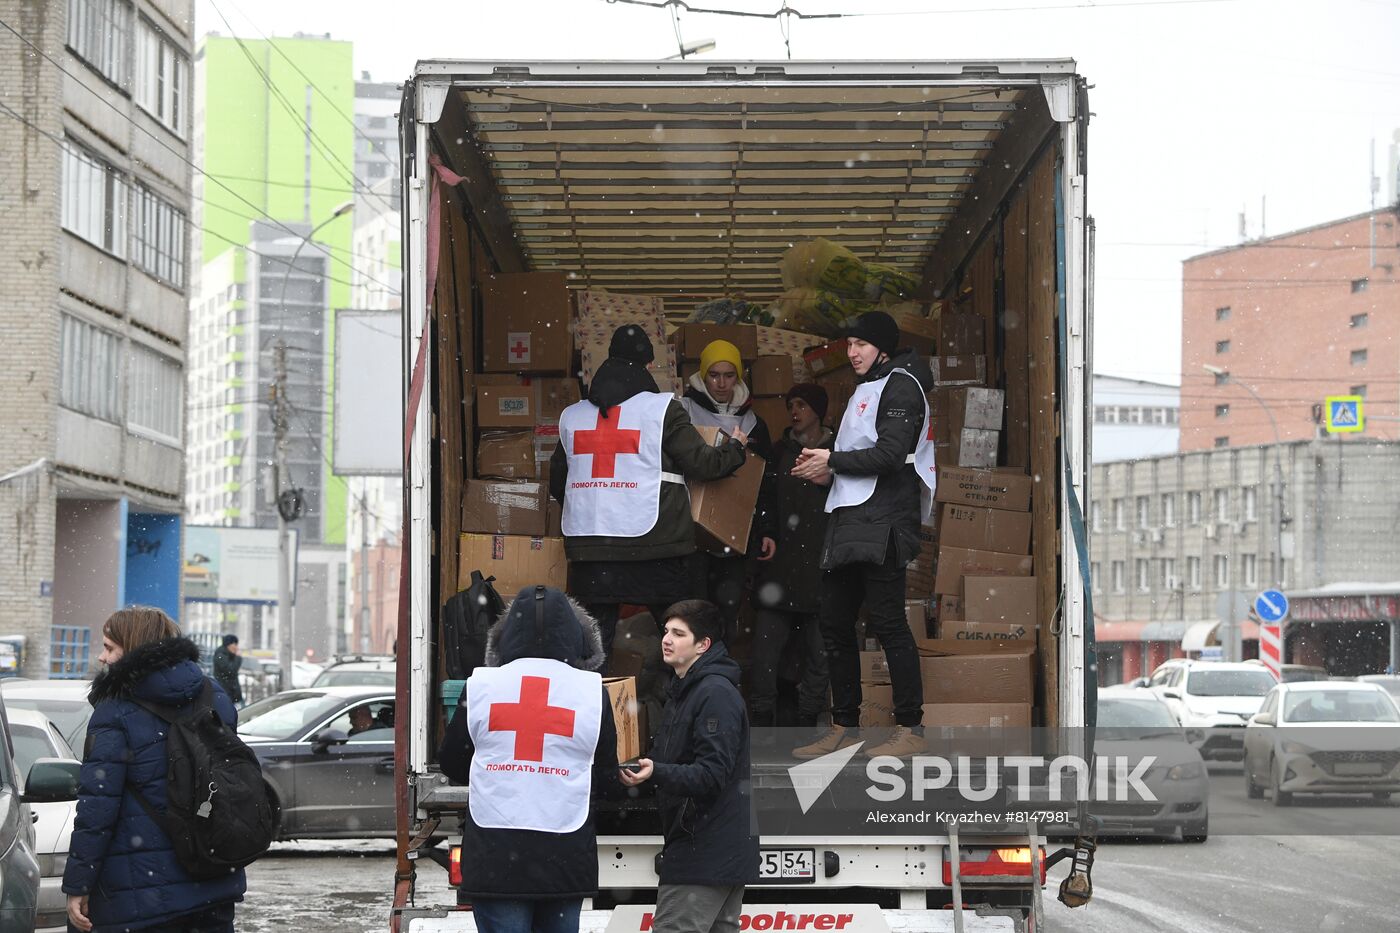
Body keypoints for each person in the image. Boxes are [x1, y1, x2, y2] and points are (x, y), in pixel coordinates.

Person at [791, 311, 937, 760]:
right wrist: (824, 471)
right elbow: (860, 456)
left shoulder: (902, 385)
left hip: (885, 522)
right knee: (835, 625)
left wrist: (831, 461)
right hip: (850, 520)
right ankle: (846, 726)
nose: (852, 353)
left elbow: (892, 454)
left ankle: (912, 728)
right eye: (849, 344)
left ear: (883, 348)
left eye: (860, 344)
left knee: (889, 624)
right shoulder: (868, 385)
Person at [551, 324, 749, 655]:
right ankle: (692, 704)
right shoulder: (661, 410)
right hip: (656, 549)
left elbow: (560, 483)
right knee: (686, 647)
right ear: (646, 366)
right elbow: (703, 464)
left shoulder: (573, 416)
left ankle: (597, 706)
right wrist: (736, 449)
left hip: (591, 554)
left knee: (592, 653)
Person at [438, 585, 619, 933]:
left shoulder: (480, 686)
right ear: (576, 635)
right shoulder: (592, 692)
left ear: (504, 636)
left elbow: (452, 762)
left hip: (496, 855)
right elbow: (607, 778)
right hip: (564, 854)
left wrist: (498, 773)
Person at [64, 607, 245, 933]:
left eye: (109, 647)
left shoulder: (115, 711)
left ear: (132, 647)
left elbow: (98, 808)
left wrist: (78, 884)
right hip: (212, 876)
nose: (101, 657)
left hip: (137, 896)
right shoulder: (214, 695)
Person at [619, 600, 759, 933]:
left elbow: (712, 774)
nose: (666, 639)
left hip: (704, 849)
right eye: (666, 631)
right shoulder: (686, 691)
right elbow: (673, 758)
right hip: (709, 847)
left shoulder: (714, 693)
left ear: (703, 645)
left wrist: (656, 772)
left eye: (678, 634)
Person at [678, 340, 777, 641]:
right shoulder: (683, 412)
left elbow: (764, 481)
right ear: (703, 376)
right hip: (691, 533)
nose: (721, 383)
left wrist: (767, 529)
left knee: (727, 613)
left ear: (739, 378)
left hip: (734, 537)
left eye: (729, 375)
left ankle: (719, 678)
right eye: (714, 375)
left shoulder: (754, 424)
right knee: (692, 615)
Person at [750, 383, 833, 732]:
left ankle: (807, 718)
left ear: (818, 410)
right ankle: (762, 722)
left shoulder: (839, 452)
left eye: (802, 404)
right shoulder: (780, 451)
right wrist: (767, 532)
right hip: (782, 566)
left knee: (821, 653)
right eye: (791, 405)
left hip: (824, 564)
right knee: (765, 653)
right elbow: (764, 497)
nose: (795, 411)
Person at [213, 634, 242, 705]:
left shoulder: (229, 655)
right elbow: (231, 671)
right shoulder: (221, 655)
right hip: (225, 693)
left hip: (231, 693)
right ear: (228, 645)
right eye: (234, 644)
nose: (236, 647)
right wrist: (238, 657)